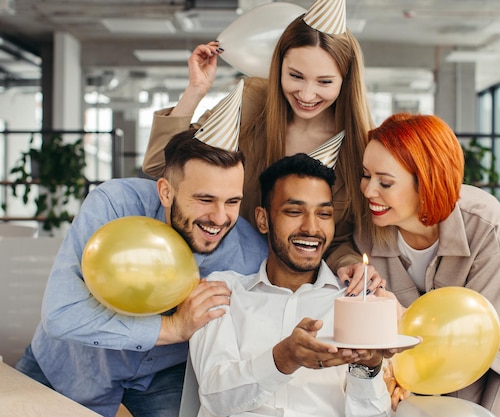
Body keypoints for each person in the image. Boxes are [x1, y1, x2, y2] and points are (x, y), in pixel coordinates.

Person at [15, 83, 269, 417]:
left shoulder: (251, 252)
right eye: (204, 199)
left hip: (163, 375)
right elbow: (61, 315)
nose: (220, 218)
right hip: (69, 364)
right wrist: (173, 328)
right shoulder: (115, 205)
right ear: (166, 192)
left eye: (232, 201)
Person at [142, 0, 377, 292]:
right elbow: (158, 165)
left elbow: (337, 238)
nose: (306, 94)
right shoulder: (252, 102)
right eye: (295, 76)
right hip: (222, 276)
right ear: (278, 67)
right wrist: (195, 91)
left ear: (346, 80)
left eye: (325, 82)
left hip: (295, 289)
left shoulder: (360, 149)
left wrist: (348, 261)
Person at [354, 113, 500, 417]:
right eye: (366, 175)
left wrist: (401, 316)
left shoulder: (485, 222)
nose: (368, 190)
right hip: (446, 336)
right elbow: (341, 246)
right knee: (440, 403)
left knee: (496, 411)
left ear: (427, 183)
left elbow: (484, 332)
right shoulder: (370, 225)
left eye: (385, 182)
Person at [189, 153, 395, 417]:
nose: (311, 228)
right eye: (294, 211)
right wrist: (284, 358)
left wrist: (369, 367)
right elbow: (215, 398)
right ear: (263, 220)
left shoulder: (358, 301)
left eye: (324, 213)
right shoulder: (223, 291)